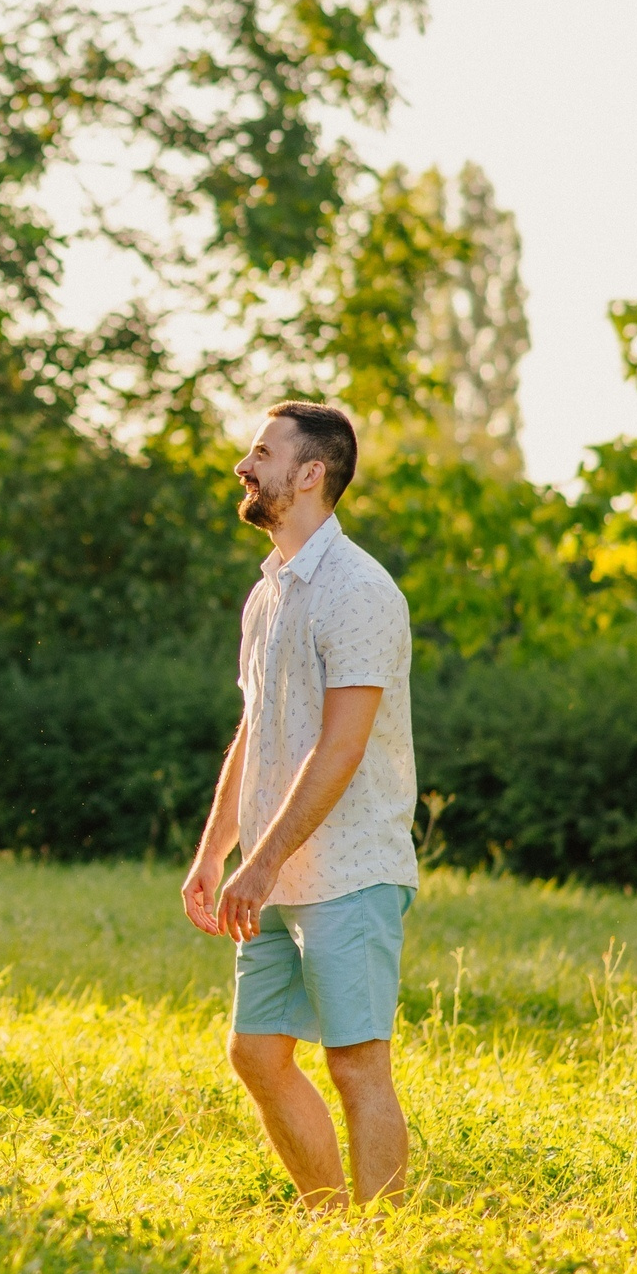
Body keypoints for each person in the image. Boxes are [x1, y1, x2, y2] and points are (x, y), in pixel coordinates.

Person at [180, 401, 418, 1209]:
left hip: (351, 867)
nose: (245, 466)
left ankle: (388, 1248)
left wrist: (262, 858)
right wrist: (216, 851)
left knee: (356, 1062)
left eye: (261, 452)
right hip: (273, 874)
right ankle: (334, 1224)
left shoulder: (360, 589)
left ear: (310, 472)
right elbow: (255, 730)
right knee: (256, 1052)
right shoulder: (268, 594)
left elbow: (342, 745)